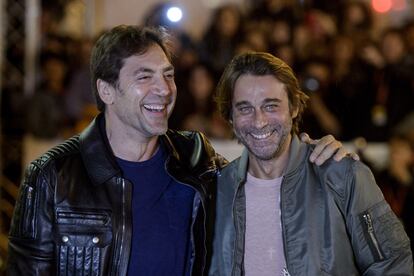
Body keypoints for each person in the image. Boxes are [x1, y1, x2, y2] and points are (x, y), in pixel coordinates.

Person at [7, 25, 351, 276]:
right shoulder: (53, 175)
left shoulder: (195, 157)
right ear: (106, 91)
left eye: (167, 75)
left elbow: (264, 185)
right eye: (144, 77)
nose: (164, 89)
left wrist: (311, 157)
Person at [209, 52, 413, 275]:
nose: (259, 121)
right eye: (245, 108)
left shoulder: (342, 176)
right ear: (230, 116)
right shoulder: (214, 190)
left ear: (294, 107)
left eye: (271, 106)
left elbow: (394, 265)